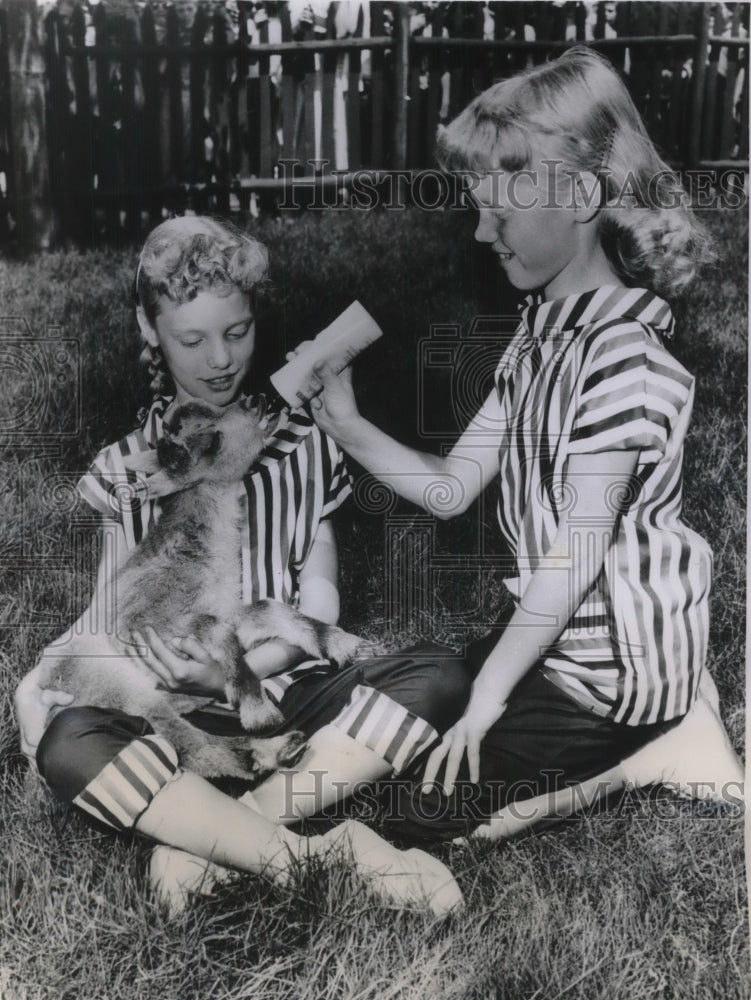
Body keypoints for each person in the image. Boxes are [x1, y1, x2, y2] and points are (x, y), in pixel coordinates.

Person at [294, 47, 744, 843]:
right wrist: (347, 426)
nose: (478, 230)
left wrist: (489, 698)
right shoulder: (540, 338)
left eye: (499, 212)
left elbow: (572, 559)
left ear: (577, 197)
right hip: (549, 628)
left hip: (610, 673)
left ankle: (653, 749)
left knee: (416, 813)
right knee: (423, 704)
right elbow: (452, 487)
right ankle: (638, 730)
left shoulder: (625, 363)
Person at [14, 215, 469, 915]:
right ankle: (311, 849)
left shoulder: (304, 449)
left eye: (238, 331)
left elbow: (320, 605)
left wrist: (243, 671)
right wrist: (37, 681)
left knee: (439, 676)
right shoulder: (126, 468)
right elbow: (109, 612)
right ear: (150, 330)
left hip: (282, 691)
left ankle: (213, 837)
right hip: (173, 707)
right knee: (71, 744)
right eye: (191, 339)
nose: (220, 359)